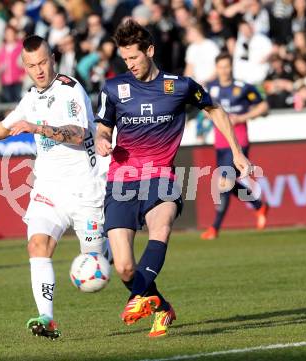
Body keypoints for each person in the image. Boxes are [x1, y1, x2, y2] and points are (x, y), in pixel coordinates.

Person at [0, 35, 106, 339]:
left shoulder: (70, 89)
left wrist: (37, 127)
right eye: (31, 65)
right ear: (23, 67)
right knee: (37, 245)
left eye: (42, 62)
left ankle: (125, 268)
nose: (38, 70)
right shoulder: (30, 98)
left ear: (52, 58)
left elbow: (79, 134)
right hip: (49, 188)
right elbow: (2, 128)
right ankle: (46, 318)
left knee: (97, 262)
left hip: (84, 188)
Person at [94, 20, 253, 338]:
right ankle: (161, 306)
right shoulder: (113, 88)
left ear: (149, 51)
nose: (130, 65)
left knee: (161, 227)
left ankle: (136, 298)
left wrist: (237, 152)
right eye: (125, 59)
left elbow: (216, 110)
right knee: (124, 266)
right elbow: (103, 126)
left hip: (161, 175)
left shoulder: (179, 86)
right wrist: (101, 139)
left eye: (134, 58)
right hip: (122, 178)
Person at [201, 52, 270, 240]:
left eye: (227, 66)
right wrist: (213, 116)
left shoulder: (243, 87)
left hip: (239, 143)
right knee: (226, 183)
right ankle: (258, 206)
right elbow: (205, 110)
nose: (224, 70)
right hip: (220, 143)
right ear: (217, 68)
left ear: (231, 67)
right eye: (221, 67)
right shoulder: (211, 88)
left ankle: (214, 228)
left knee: (223, 182)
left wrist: (242, 118)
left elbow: (264, 107)